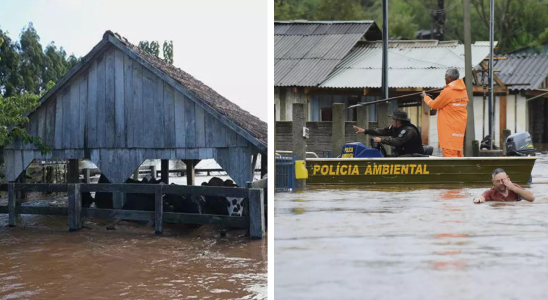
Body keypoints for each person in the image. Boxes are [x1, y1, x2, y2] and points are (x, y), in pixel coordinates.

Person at [421, 68, 468, 157]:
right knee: (458, 156)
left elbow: (434, 105)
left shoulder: (448, 91)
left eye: (445, 77)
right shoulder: (463, 90)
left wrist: (425, 97)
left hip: (448, 132)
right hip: (458, 132)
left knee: (450, 160)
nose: (444, 79)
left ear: (450, 78)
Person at [353, 109, 424, 156]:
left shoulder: (409, 130)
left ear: (398, 121)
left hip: (413, 155)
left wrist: (381, 140)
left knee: (395, 163)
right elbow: (383, 131)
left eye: (393, 119)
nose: (392, 121)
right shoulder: (396, 128)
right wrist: (365, 130)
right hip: (402, 153)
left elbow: (398, 141)